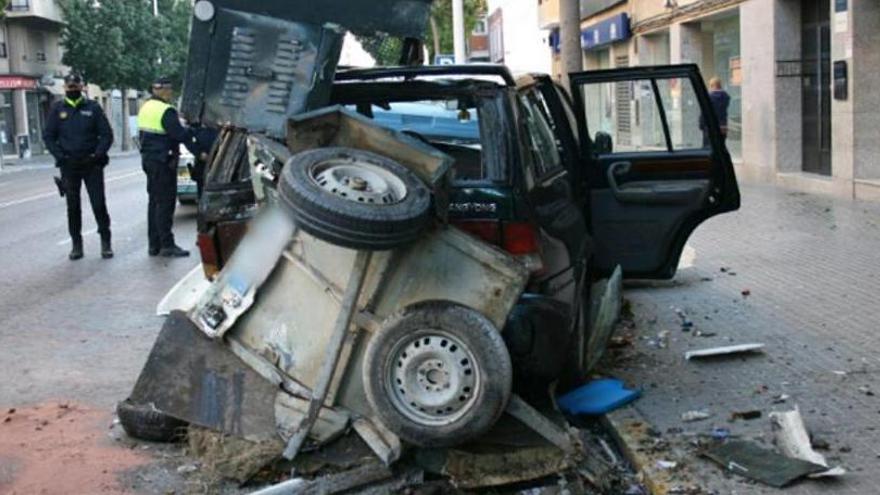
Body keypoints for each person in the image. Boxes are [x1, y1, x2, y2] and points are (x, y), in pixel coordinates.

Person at [42, 73, 114, 260]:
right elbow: (48, 136)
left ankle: (105, 242)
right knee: (73, 207)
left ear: (82, 87)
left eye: (76, 85)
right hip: (69, 166)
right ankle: (76, 245)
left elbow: (106, 135)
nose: (73, 89)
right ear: (65, 88)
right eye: (69, 86)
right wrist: (60, 156)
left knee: (98, 204)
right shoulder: (58, 109)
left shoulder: (93, 108)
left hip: (92, 164)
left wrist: (97, 154)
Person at [137, 76, 198, 257]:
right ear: (161, 90)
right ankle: (167, 245)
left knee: (154, 202)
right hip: (164, 162)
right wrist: (193, 132)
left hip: (149, 160)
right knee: (165, 203)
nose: (170, 92)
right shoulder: (166, 110)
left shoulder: (146, 107)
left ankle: (154, 244)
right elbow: (179, 134)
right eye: (168, 89)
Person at [700, 76, 731, 147]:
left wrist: (701, 125)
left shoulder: (709, 98)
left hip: (710, 127)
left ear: (712, 86)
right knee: (721, 147)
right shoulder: (726, 97)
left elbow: (704, 113)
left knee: (709, 148)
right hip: (723, 127)